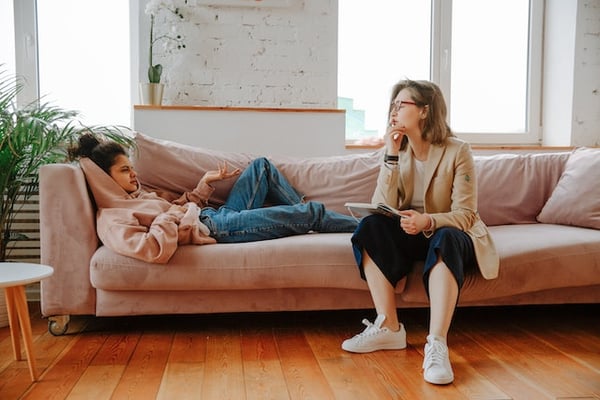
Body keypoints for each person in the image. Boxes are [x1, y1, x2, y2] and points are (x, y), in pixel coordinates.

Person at [341, 80, 499, 385]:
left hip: (448, 234)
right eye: (393, 105)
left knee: (446, 237)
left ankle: (437, 343)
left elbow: (465, 216)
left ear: (424, 111)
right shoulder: (399, 151)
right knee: (369, 226)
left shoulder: (458, 151)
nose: (394, 111)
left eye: (402, 104)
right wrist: (390, 153)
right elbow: (381, 206)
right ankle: (388, 328)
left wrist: (427, 221)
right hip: (410, 233)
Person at [68, 133, 357, 263]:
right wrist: (169, 217)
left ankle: (299, 217)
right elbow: (150, 248)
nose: (134, 174)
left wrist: (204, 186)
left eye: (131, 167)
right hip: (217, 229)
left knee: (262, 167)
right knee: (310, 214)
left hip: (214, 216)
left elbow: (179, 208)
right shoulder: (112, 218)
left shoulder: (140, 194)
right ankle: (369, 225)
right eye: (125, 170)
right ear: (105, 178)